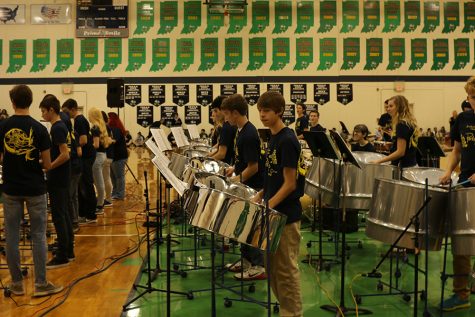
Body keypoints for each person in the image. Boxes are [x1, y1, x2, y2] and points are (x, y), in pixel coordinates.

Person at [0, 85, 63, 297]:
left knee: (11, 236)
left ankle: (16, 284)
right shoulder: (39, 128)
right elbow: (46, 164)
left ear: (13, 103)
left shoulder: (3, 126)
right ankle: (41, 284)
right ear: (30, 101)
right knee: (38, 236)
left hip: (10, 188)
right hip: (35, 188)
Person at [253, 91, 305, 317]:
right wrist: (261, 194)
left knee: (286, 271)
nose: (262, 115)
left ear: (279, 112)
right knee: (273, 270)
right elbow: (273, 176)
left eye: (266, 111)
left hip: (286, 216)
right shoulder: (272, 138)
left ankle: (293, 313)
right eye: (260, 111)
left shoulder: (287, 140)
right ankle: (285, 309)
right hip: (273, 213)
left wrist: (269, 204)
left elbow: (290, 184)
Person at [439, 76, 475, 311]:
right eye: (471, 97)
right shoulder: (463, 119)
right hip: (465, 184)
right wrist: (449, 170)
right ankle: (461, 293)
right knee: (461, 240)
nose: (473, 101)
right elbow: (457, 150)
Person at [221, 94, 266, 280]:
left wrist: (236, 180)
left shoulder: (248, 134)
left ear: (235, 113)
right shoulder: (241, 130)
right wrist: (234, 168)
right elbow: (245, 160)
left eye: (227, 115)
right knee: (241, 227)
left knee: (250, 228)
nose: (225, 119)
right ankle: (246, 260)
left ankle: (258, 266)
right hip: (244, 184)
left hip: (252, 188)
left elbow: (254, 167)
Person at [39, 94, 74, 268]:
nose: (43, 115)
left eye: (44, 111)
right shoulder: (60, 126)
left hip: (59, 177)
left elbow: (65, 154)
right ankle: (69, 250)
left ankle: (62, 255)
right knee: (64, 213)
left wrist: (49, 166)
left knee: (59, 216)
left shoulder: (57, 128)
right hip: (62, 176)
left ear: (51, 110)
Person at [62, 99, 97, 224]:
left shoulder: (79, 120)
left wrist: (73, 145)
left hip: (87, 156)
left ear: (72, 109)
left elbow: (83, 140)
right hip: (86, 156)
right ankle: (84, 213)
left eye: (65, 111)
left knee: (87, 184)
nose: (64, 114)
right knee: (83, 185)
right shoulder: (78, 120)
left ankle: (91, 214)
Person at [373, 95, 418, 168]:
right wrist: (393, 146)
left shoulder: (401, 124)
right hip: (411, 165)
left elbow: (400, 152)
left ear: (399, 107)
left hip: (405, 168)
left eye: (391, 106)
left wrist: (379, 161)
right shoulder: (408, 122)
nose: (388, 109)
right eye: (387, 106)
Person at [61, 102, 82, 233]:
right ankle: (75, 220)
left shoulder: (66, 135)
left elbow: (71, 153)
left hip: (73, 168)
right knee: (73, 196)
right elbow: (80, 152)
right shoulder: (74, 133)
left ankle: (74, 222)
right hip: (77, 166)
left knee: (69, 196)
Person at [88, 107, 112, 214]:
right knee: (100, 180)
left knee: (98, 182)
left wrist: (88, 146)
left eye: (89, 114)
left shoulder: (95, 128)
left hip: (97, 156)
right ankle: (100, 203)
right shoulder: (102, 126)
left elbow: (96, 145)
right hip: (103, 155)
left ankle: (100, 205)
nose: (88, 116)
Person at [209, 96, 236, 165]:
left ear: (223, 111)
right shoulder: (228, 125)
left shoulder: (226, 127)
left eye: (215, 111)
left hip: (227, 166)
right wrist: (207, 157)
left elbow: (221, 154)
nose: (213, 114)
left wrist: (205, 162)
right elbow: (219, 148)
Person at [108, 112, 129, 201]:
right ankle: (115, 193)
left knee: (119, 176)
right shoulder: (113, 129)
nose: (107, 120)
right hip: (115, 156)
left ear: (112, 120)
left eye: (109, 118)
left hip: (119, 156)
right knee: (113, 176)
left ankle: (120, 194)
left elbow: (113, 141)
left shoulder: (115, 129)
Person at [102, 111, 114, 208]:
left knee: (105, 178)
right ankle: (107, 197)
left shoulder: (104, 127)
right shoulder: (108, 127)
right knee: (106, 178)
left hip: (106, 155)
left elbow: (105, 142)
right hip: (109, 155)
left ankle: (108, 199)